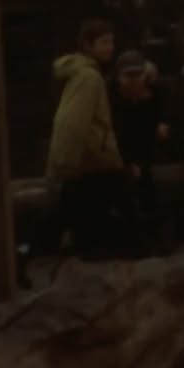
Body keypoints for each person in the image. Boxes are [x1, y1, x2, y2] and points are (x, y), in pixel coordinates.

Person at [47, 19, 134, 258]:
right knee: (110, 206)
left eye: (111, 42)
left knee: (84, 210)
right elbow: (73, 121)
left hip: (93, 154)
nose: (110, 48)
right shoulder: (88, 77)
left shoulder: (88, 73)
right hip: (95, 156)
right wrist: (67, 160)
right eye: (104, 42)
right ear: (88, 45)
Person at [110, 49, 173, 252]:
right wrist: (128, 162)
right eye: (129, 76)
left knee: (148, 188)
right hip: (119, 154)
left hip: (146, 152)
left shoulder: (153, 94)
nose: (134, 80)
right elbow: (117, 135)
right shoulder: (113, 98)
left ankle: (155, 239)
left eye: (138, 75)